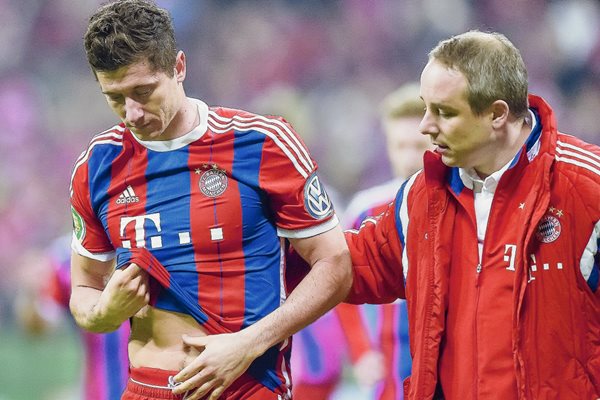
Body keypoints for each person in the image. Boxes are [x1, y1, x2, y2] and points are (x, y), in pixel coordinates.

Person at [69, 1, 352, 400]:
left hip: (246, 386)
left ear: (179, 68)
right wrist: (104, 312)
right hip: (144, 389)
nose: (131, 113)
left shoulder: (262, 143)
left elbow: (335, 264)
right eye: (114, 97)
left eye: (143, 91)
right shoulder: (96, 165)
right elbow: (84, 286)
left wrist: (250, 343)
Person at [345, 30, 600, 399]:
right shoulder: (421, 196)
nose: (425, 125)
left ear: (497, 114)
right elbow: (349, 266)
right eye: (425, 107)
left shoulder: (587, 187)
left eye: (444, 112)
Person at [343, 82, 432, 400]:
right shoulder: (365, 208)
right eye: (400, 145)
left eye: (418, 146)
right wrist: (361, 351)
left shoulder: (458, 205)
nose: (409, 157)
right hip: (387, 374)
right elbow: (338, 283)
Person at [15, 235, 129, 400]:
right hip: (99, 387)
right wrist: (31, 293)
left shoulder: (141, 236)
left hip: (154, 376)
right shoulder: (63, 257)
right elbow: (41, 326)